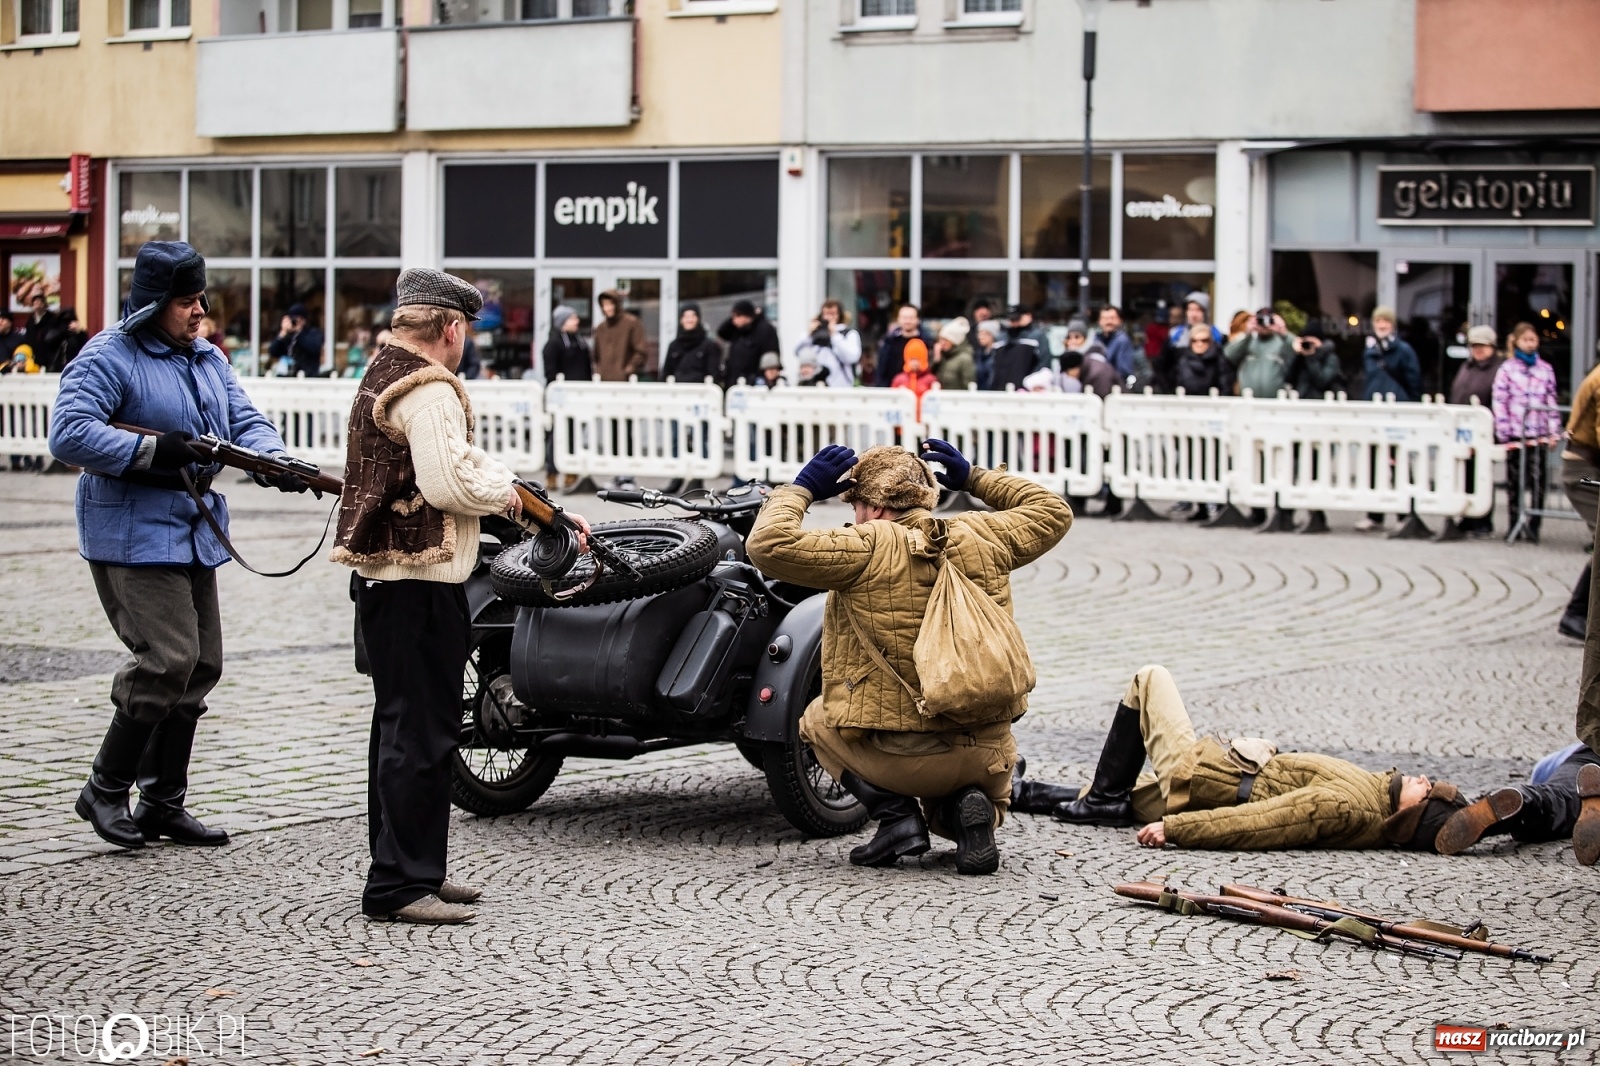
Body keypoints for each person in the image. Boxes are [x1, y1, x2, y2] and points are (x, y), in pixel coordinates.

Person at [332, 268, 592, 925]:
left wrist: (537, 503)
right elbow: (449, 482)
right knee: (421, 735)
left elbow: (462, 463)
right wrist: (516, 504)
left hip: (390, 583)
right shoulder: (428, 388)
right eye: (466, 329)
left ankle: (413, 867)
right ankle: (399, 885)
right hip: (418, 585)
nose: (466, 341)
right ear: (450, 327)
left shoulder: (384, 369)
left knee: (401, 730)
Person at [47, 241, 308, 853]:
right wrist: (150, 450)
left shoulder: (207, 358)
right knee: (167, 659)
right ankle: (104, 789)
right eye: (187, 301)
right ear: (154, 303)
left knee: (201, 665)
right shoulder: (108, 355)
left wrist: (274, 461)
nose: (200, 311)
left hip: (191, 528)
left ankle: (162, 803)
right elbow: (69, 434)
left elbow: (244, 421)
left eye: (201, 298)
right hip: (131, 532)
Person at [745, 441, 1073, 874]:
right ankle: (965, 809)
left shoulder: (867, 545)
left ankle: (896, 818)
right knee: (963, 809)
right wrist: (974, 477)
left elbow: (767, 544)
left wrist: (802, 489)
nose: (856, 515)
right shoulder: (984, 534)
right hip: (990, 757)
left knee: (815, 721)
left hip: (908, 759)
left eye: (856, 506)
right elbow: (1054, 511)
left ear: (875, 506)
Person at [1047, 666, 1465, 852]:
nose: (1426, 780)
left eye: (1428, 793)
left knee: (1151, 677)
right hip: (1211, 787)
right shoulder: (1373, 792)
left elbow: (1262, 823)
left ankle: (1101, 802)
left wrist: (1176, 829)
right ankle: (1024, 790)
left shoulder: (1347, 806)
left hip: (1205, 783)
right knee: (1112, 793)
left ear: (1410, 818)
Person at [1434, 744, 1600, 864]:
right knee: (1567, 802)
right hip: (1586, 762)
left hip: (1585, 754)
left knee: (1556, 801)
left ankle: (1524, 800)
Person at [1493, 321, 1561, 544]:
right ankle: (1514, 522)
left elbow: (1551, 401)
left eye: (1533, 340)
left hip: (1538, 434)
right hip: (1515, 433)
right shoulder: (1507, 369)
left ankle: (1534, 525)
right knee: (1514, 482)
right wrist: (1503, 431)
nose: (1530, 344)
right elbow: (1500, 401)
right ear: (1516, 341)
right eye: (1526, 340)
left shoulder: (1545, 369)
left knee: (1538, 480)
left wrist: (1553, 431)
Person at [1450, 325, 1505, 539]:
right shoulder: (1466, 367)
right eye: (1474, 345)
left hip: (1484, 431)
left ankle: (1483, 521)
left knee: (1482, 476)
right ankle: (1467, 517)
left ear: (1492, 346)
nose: (1478, 349)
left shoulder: (1499, 370)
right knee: (1465, 475)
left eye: (1482, 345)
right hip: (1463, 430)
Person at [1223, 309, 1297, 398]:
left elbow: (1298, 352)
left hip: (1277, 400)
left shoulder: (1282, 343)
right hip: (1248, 399)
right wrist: (1247, 333)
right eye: (1261, 320)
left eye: (1269, 320)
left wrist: (1284, 333)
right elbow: (1229, 354)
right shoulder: (1247, 343)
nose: (1265, 324)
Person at [795, 299, 861, 388]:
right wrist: (809, 335)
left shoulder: (849, 334)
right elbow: (798, 353)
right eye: (826, 314)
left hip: (842, 387)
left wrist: (834, 335)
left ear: (840, 315)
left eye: (833, 314)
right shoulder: (815, 334)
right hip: (817, 386)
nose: (829, 317)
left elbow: (852, 357)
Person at [1155, 322, 1234, 397]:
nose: (1199, 344)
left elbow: (1226, 386)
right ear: (1190, 342)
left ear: (1210, 342)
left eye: (1204, 340)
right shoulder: (1181, 359)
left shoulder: (1219, 361)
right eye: (1194, 341)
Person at [718, 298, 780, 388]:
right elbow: (722, 331)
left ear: (747, 316)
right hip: (734, 382)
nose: (734, 321)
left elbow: (770, 358)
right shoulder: (736, 330)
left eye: (738, 316)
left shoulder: (765, 330)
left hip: (755, 383)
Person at [593, 289, 649, 382]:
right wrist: (599, 371)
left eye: (610, 304)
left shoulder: (632, 323)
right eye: (604, 305)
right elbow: (596, 356)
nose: (607, 308)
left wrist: (629, 370)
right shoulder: (600, 328)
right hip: (604, 381)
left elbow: (640, 351)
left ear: (617, 304)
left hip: (626, 381)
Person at [662, 303, 722, 384]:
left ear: (698, 319)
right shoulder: (674, 346)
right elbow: (666, 373)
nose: (689, 320)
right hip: (677, 390)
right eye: (686, 316)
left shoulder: (709, 345)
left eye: (692, 316)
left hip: (701, 390)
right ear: (681, 320)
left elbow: (714, 374)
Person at [874, 304, 933, 387]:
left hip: (920, 390)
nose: (907, 321)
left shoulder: (927, 342)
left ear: (918, 319)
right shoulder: (889, 342)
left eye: (911, 318)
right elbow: (882, 369)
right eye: (904, 318)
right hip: (892, 389)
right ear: (898, 319)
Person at [269, 303, 324, 378]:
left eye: (297, 319)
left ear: (304, 320)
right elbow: (273, 352)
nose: (294, 322)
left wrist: (299, 332)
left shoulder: (313, 333)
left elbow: (314, 348)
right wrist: (282, 333)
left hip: (307, 375)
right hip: (287, 375)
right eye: (292, 319)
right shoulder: (287, 335)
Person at [1068, 319, 1118, 399]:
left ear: (1085, 339)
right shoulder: (1070, 359)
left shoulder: (1096, 359)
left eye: (1077, 337)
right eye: (1069, 337)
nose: (1072, 341)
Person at [541, 305, 591, 382]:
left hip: (582, 387)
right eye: (572, 319)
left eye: (576, 318)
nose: (576, 322)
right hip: (563, 387)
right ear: (562, 322)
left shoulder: (581, 342)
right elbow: (550, 371)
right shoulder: (554, 343)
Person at [889, 338, 936, 415]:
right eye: (912, 359)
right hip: (904, 416)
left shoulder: (930, 380)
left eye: (918, 359)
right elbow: (892, 401)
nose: (915, 363)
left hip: (923, 417)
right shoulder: (899, 379)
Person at [932, 317, 975, 392]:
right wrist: (936, 360)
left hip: (957, 398)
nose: (942, 343)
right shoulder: (944, 356)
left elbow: (968, 385)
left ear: (954, 341)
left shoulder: (964, 359)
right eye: (941, 339)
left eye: (946, 340)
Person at [1096, 305, 1137, 379]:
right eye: (1105, 318)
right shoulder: (1096, 339)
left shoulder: (1122, 340)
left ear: (1120, 321)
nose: (1109, 322)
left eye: (1112, 318)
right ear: (1099, 321)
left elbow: (1124, 371)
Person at [50, 307, 88, 372]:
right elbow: (49, 342)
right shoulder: (58, 334)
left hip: (75, 368)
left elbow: (84, 348)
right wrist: (62, 331)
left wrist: (78, 331)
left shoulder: (80, 336)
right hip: (58, 369)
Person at [973, 319, 1001, 391]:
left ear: (992, 335)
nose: (980, 337)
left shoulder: (998, 353)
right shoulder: (979, 354)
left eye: (984, 334)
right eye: (979, 333)